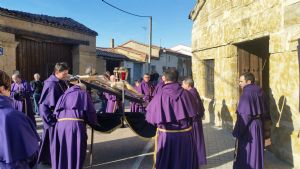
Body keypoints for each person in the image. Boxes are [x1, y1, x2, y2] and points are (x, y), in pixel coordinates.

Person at [146, 69, 199, 169]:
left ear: (164, 78)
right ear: (177, 78)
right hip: (185, 137)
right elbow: (195, 114)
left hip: (167, 138)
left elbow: (151, 119)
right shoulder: (187, 94)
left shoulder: (159, 95)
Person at [51, 83, 102, 169]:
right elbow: (90, 112)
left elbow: (55, 113)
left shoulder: (63, 95)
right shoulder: (83, 94)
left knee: (63, 149)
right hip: (74, 126)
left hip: (60, 126)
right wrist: (94, 122)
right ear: (83, 89)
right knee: (75, 149)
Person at [0, 70, 39, 169]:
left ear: (18, 78)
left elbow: (30, 92)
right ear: (2, 89)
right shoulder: (14, 118)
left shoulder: (25, 83)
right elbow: (31, 154)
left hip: (23, 103)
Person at [37, 62, 70, 165]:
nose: (66, 76)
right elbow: (44, 103)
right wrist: (50, 119)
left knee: (51, 139)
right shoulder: (51, 83)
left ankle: (50, 159)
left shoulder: (60, 81)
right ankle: (51, 160)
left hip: (56, 115)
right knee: (51, 139)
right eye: (64, 74)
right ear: (57, 72)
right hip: (50, 115)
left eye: (67, 73)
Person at [233, 72, 267, 169]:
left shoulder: (246, 93)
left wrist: (238, 132)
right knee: (256, 151)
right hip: (258, 124)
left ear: (248, 81)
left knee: (248, 152)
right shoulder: (259, 90)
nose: (239, 83)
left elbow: (245, 116)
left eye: (241, 81)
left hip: (249, 127)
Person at [182, 78, 207, 166]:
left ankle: (197, 161)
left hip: (194, 122)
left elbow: (194, 109)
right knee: (197, 141)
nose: (182, 86)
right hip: (196, 121)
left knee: (195, 142)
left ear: (188, 85)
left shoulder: (191, 93)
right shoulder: (193, 91)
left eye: (183, 84)